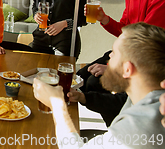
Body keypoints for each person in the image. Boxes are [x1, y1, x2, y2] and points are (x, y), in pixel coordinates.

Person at [74, 0, 165, 124]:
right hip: (129, 52)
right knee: (81, 78)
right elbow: (125, 29)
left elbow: (146, 44)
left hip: (147, 61)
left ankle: (122, 130)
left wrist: (115, 68)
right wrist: (104, 19)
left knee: (93, 84)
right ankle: (115, 127)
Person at [34, 22, 165, 148]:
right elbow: (119, 101)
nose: (109, 57)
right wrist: (83, 97)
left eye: (114, 53)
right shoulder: (152, 97)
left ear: (127, 69)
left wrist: (57, 105)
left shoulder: (137, 127)